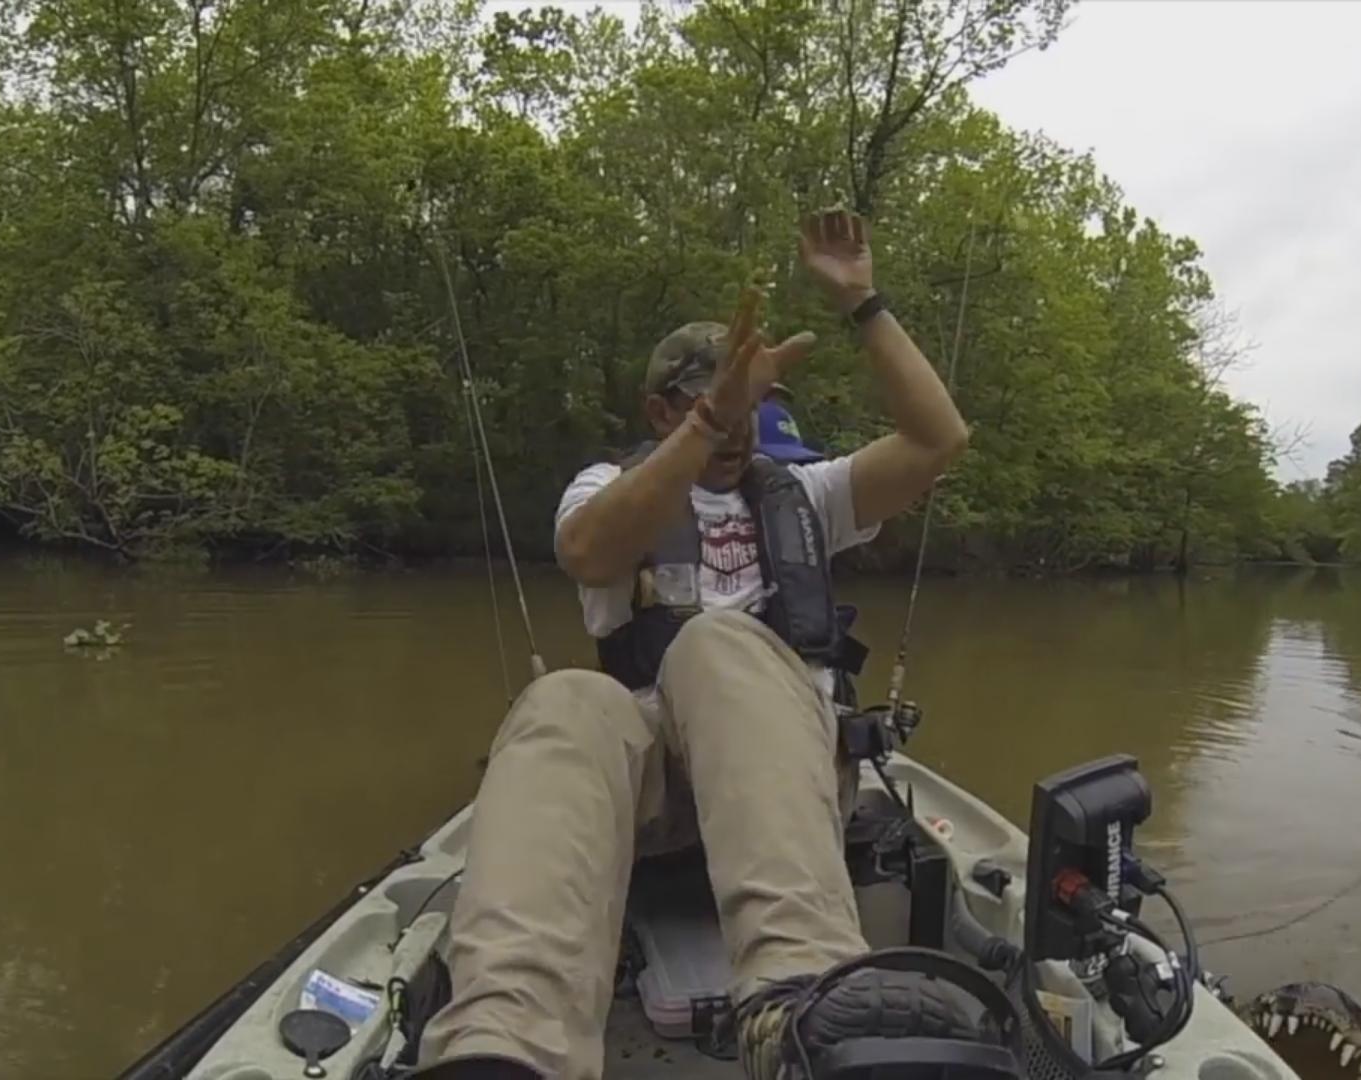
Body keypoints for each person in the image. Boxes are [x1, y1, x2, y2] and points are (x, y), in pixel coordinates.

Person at [416, 209, 974, 1080]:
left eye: (756, 401)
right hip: (648, 799)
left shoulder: (808, 494)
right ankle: (504, 1045)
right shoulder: (607, 489)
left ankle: (805, 998)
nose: (743, 421)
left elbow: (939, 440)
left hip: (781, 784)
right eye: (717, 397)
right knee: (564, 698)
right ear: (661, 408)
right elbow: (589, 553)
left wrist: (863, 304)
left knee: (717, 644)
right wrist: (709, 423)